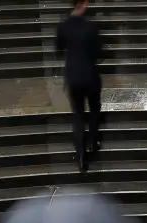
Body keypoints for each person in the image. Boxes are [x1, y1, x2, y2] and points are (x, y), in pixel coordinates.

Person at [56, 0, 103, 173]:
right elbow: (99, 52)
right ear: (84, 4)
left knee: (77, 115)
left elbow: (59, 49)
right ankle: (93, 141)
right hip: (90, 75)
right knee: (94, 108)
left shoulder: (63, 27)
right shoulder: (91, 27)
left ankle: (81, 157)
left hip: (73, 77)